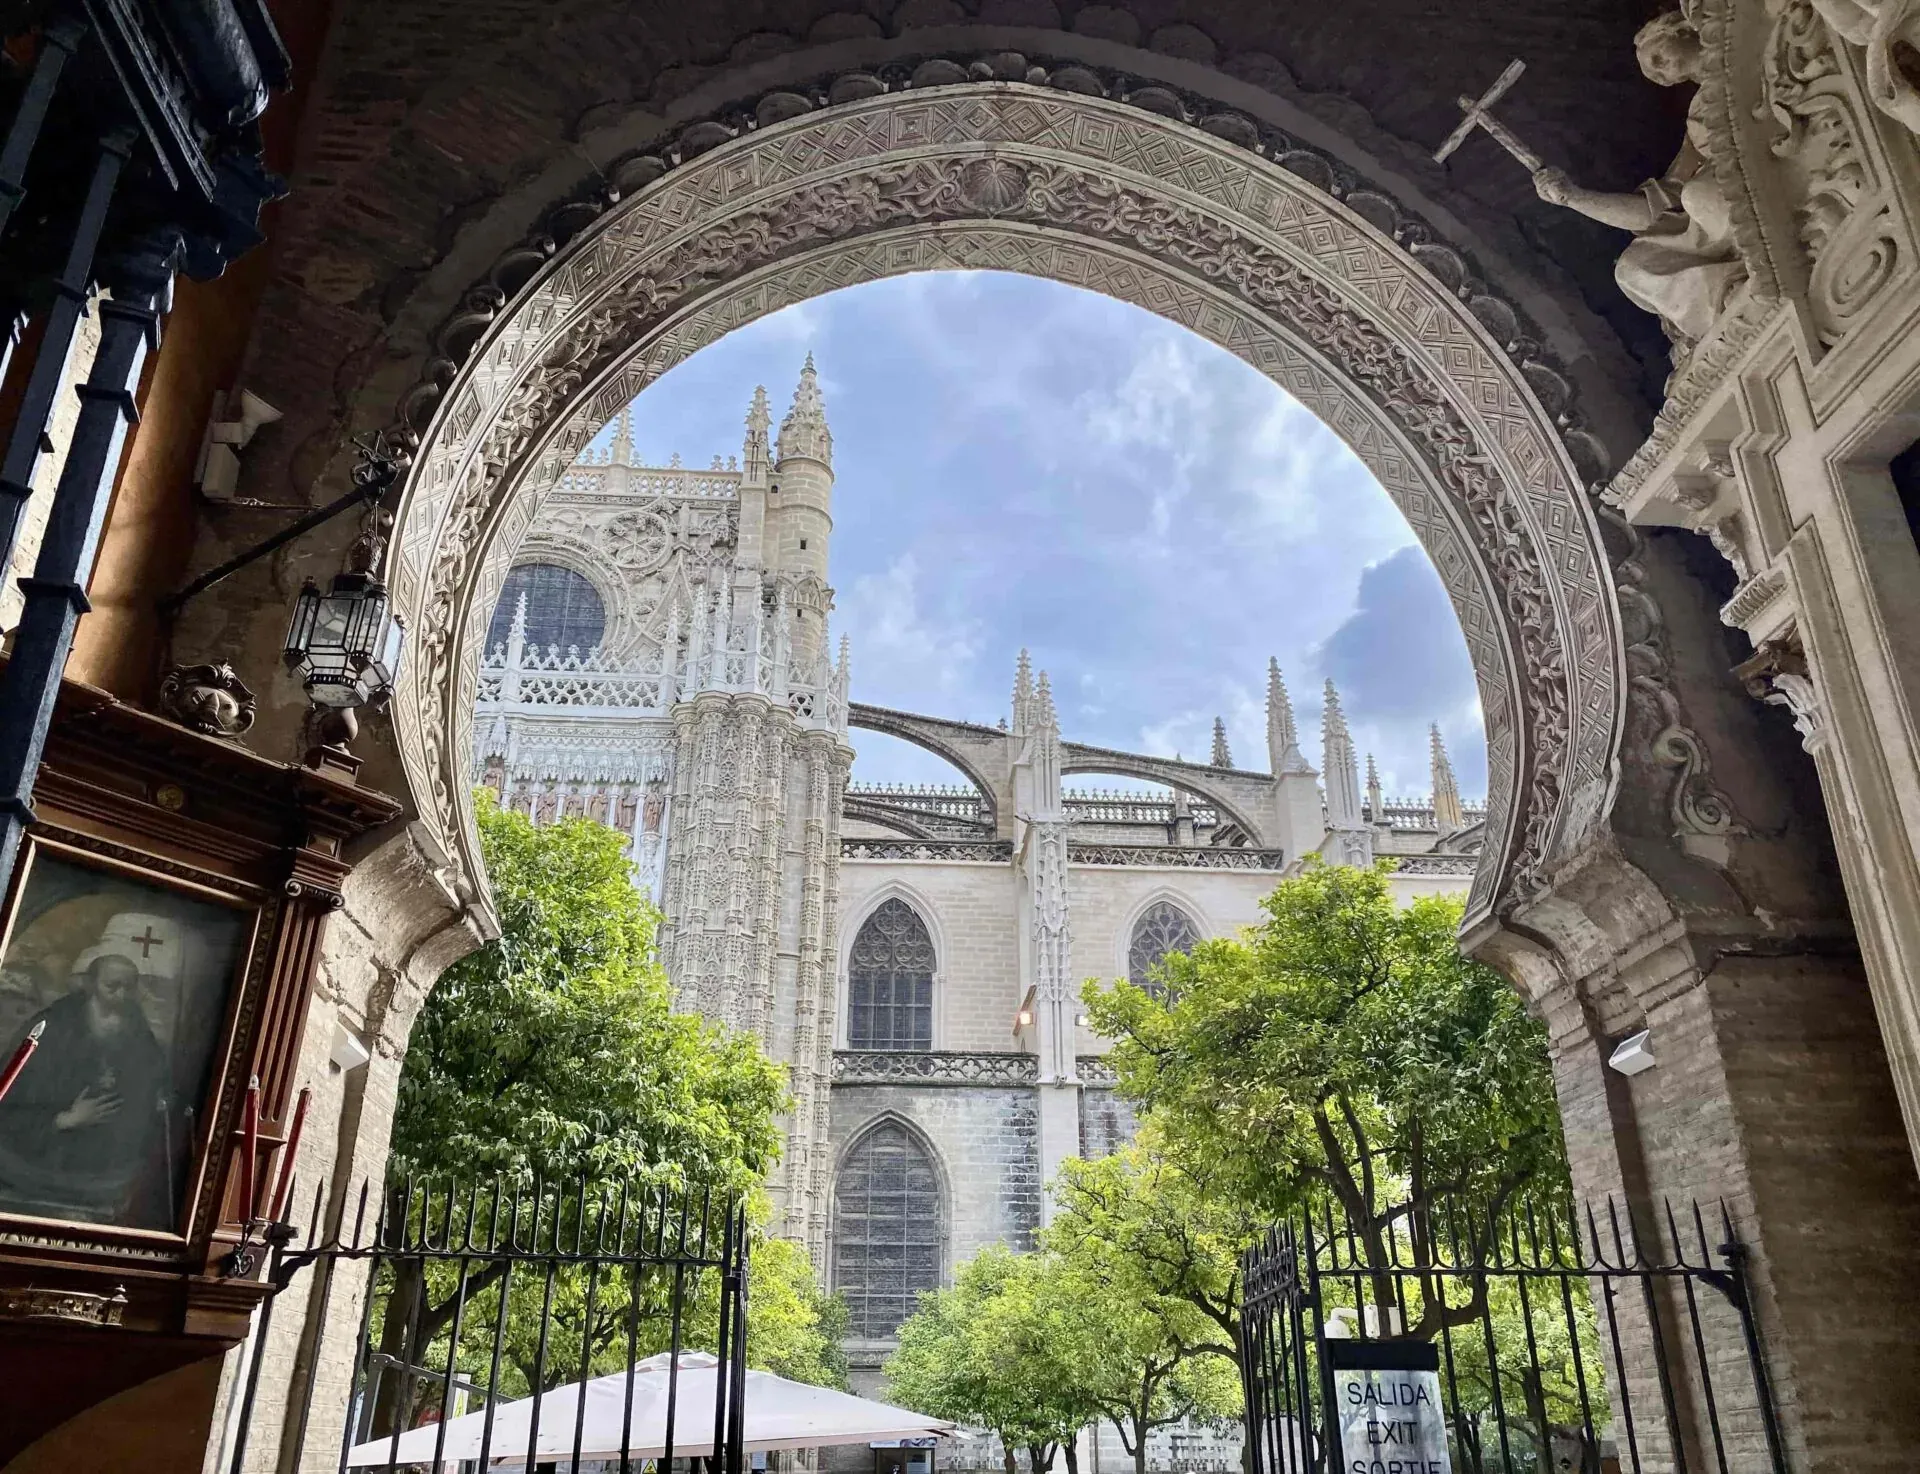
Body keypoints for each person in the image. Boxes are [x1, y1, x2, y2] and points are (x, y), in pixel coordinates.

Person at [1532, 11, 1746, 350]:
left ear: (1685, 30)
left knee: (1699, 196)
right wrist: (1573, 197)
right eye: (1652, 72)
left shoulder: (1743, 52)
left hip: (1752, 177)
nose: (1658, 73)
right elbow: (1659, 205)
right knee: (1631, 269)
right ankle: (1728, 299)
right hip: (1712, 204)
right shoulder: (1698, 116)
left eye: (1658, 58)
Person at [0, 953, 171, 1226]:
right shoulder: (52, 1026)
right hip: (34, 1167)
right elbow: (11, 1103)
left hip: (104, 1176)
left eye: (128, 987)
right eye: (112, 986)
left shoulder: (140, 1035)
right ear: (91, 984)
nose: (121, 994)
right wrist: (65, 1119)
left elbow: (147, 1103)